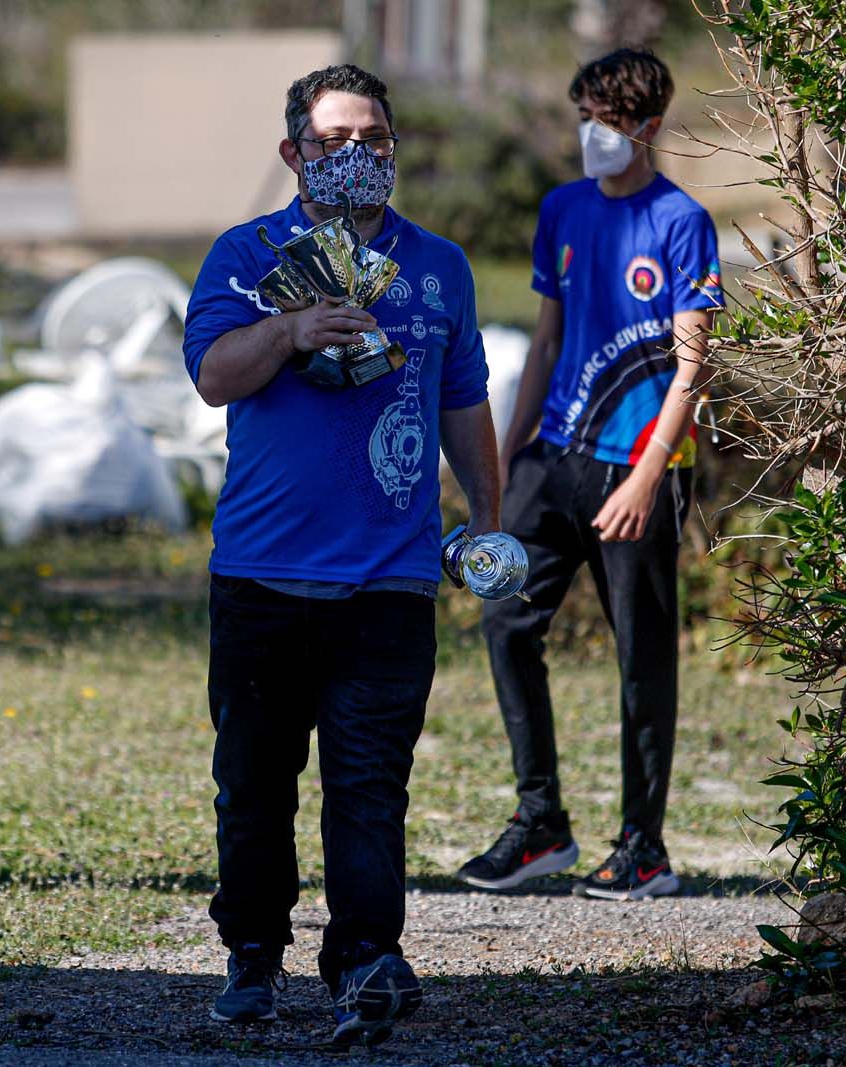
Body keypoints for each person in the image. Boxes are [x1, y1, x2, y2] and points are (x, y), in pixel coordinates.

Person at [182, 64, 500, 1045]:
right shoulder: (245, 255)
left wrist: (487, 519)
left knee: (369, 783)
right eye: (333, 143)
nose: (356, 157)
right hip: (262, 575)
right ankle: (251, 955)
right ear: (294, 155)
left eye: (373, 139)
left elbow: (462, 403)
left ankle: (365, 957)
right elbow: (211, 377)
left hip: (390, 578)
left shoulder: (437, 264)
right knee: (256, 781)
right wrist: (286, 328)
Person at [456, 48, 723, 900]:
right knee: (505, 623)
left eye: (607, 121)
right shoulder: (563, 209)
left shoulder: (682, 220)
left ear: (647, 128)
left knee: (641, 658)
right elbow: (543, 340)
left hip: (637, 466)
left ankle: (644, 848)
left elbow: (692, 368)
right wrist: (507, 451)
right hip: (554, 456)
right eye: (584, 116)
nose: (592, 135)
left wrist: (649, 478)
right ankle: (541, 824)